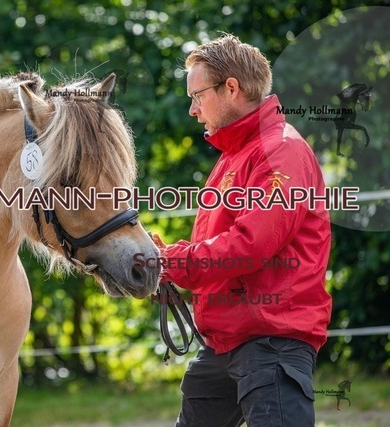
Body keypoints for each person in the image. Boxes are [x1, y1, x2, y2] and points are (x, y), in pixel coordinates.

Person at [153, 34, 332, 427]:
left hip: (272, 340)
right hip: (225, 340)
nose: (192, 110)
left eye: (197, 96)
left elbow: (249, 245)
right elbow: (219, 245)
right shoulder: (235, 155)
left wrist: (169, 260)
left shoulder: (280, 151)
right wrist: (164, 261)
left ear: (231, 88)